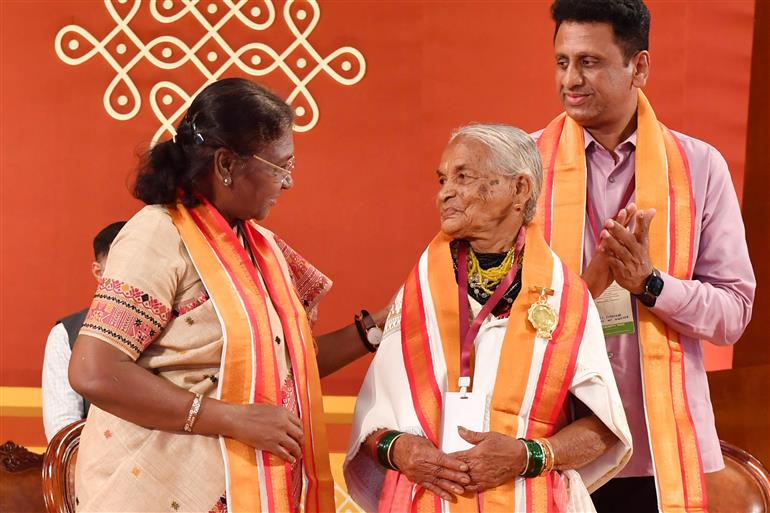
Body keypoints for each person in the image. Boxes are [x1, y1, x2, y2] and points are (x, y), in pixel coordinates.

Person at [69, 78, 388, 513]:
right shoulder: (158, 234)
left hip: (248, 487)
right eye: (281, 166)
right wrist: (233, 419)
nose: (289, 182)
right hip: (167, 489)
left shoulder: (261, 248)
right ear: (226, 164)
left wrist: (375, 330)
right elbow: (94, 372)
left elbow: (288, 365)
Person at [533, 1, 756, 511]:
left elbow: (733, 315)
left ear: (640, 67)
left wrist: (651, 284)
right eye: (562, 61)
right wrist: (583, 287)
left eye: (589, 62)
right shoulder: (526, 166)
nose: (571, 79)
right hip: (553, 444)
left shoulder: (700, 167)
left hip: (662, 453)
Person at [344, 124, 632, 513]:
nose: (445, 192)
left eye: (464, 177)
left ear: (519, 189)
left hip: (528, 499)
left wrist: (528, 455)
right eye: (443, 179)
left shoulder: (566, 295)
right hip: (428, 500)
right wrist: (402, 451)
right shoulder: (421, 289)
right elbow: (371, 424)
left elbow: (603, 429)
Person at [41, 221, 126, 441]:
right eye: (123, 264)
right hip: (96, 466)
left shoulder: (175, 325)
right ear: (99, 272)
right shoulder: (66, 335)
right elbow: (63, 433)